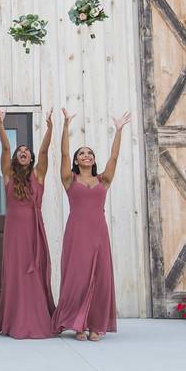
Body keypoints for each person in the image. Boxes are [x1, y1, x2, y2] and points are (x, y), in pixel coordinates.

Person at [51, 109, 131, 341]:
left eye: (90, 153)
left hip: (98, 233)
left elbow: (114, 159)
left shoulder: (103, 180)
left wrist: (118, 131)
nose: (87, 155)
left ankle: (96, 325)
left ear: (93, 160)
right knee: (78, 277)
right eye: (82, 153)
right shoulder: (69, 179)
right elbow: (64, 154)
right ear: (77, 160)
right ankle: (79, 325)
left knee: (100, 277)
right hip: (76, 233)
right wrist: (66, 125)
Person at [0, 108, 56, 339]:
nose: (23, 152)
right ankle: (15, 318)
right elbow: (6, 148)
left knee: (34, 270)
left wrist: (49, 128)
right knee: (15, 271)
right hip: (14, 230)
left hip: (33, 228)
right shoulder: (8, 175)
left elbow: (43, 150)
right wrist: (1, 124)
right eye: (20, 151)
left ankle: (37, 316)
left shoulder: (39, 175)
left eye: (26, 151)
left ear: (30, 158)